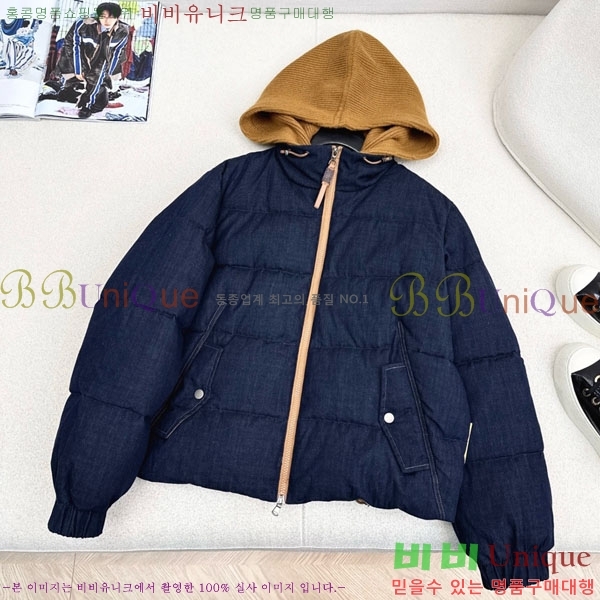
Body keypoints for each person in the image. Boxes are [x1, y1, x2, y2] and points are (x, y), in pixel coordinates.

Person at [55, 2, 129, 118]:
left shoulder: (123, 31)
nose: (107, 21)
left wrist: (110, 71)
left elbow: (118, 51)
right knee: (73, 79)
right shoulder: (83, 24)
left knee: (97, 81)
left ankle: (87, 105)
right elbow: (73, 45)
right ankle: (66, 90)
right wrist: (79, 68)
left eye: (111, 17)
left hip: (103, 57)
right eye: (103, 17)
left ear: (117, 18)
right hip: (82, 53)